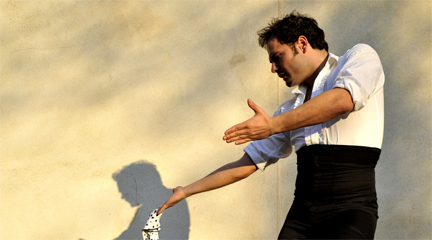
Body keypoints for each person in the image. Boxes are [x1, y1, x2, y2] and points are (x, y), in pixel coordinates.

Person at [158, 11, 384, 239]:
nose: (273, 69)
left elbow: (343, 100)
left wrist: (272, 125)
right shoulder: (289, 110)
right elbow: (248, 162)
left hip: (351, 210)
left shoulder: (359, 57)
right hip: (303, 215)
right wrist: (186, 190)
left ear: (302, 44)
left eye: (277, 57)